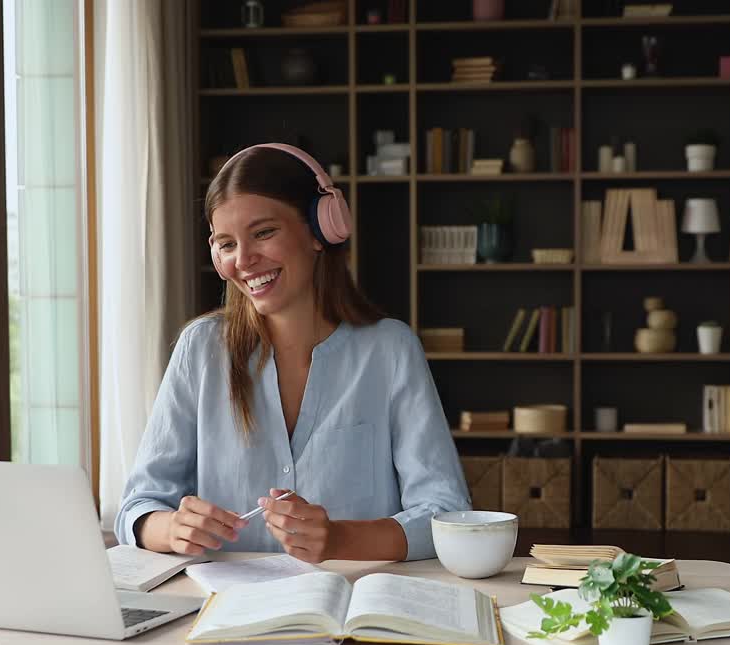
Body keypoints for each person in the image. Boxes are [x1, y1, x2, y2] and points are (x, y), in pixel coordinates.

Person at [114, 143, 470, 563]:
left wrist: (340, 540)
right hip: (221, 613)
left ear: (320, 232)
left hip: (351, 609)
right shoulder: (200, 350)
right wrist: (171, 528)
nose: (243, 259)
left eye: (264, 233)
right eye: (226, 244)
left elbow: (447, 514)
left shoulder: (390, 350)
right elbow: (138, 508)